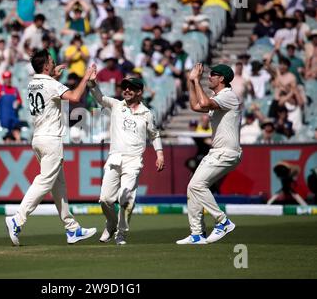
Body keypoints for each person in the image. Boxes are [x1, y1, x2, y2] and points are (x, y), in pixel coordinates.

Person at [4, 49, 97, 246]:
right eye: (52, 62)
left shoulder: (32, 83)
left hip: (38, 137)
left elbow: (46, 90)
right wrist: (86, 77)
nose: (55, 63)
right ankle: (17, 219)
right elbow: (75, 97)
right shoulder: (51, 84)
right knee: (45, 182)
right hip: (51, 139)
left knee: (58, 186)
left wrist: (53, 76)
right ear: (46, 66)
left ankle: (72, 229)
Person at [88, 77, 164, 245]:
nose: (127, 90)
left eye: (131, 88)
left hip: (134, 160)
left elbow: (155, 134)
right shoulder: (116, 105)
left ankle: (121, 233)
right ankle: (111, 223)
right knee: (105, 199)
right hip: (115, 158)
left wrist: (160, 154)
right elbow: (99, 97)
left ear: (139, 92)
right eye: (125, 87)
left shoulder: (146, 113)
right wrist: (92, 82)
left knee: (126, 198)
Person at [177, 63, 241, 245]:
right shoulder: (217, 96)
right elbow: (196, 106)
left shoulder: (228, 96)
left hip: (227, 152)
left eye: (213, 75)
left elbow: (203, 103)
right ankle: (197, 234)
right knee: (192, 187)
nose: (209, 77)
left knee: (197, 186)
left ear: (222, 78)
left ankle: (223, 222)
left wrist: (196, 79)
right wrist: (191, 81)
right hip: (218, 152)